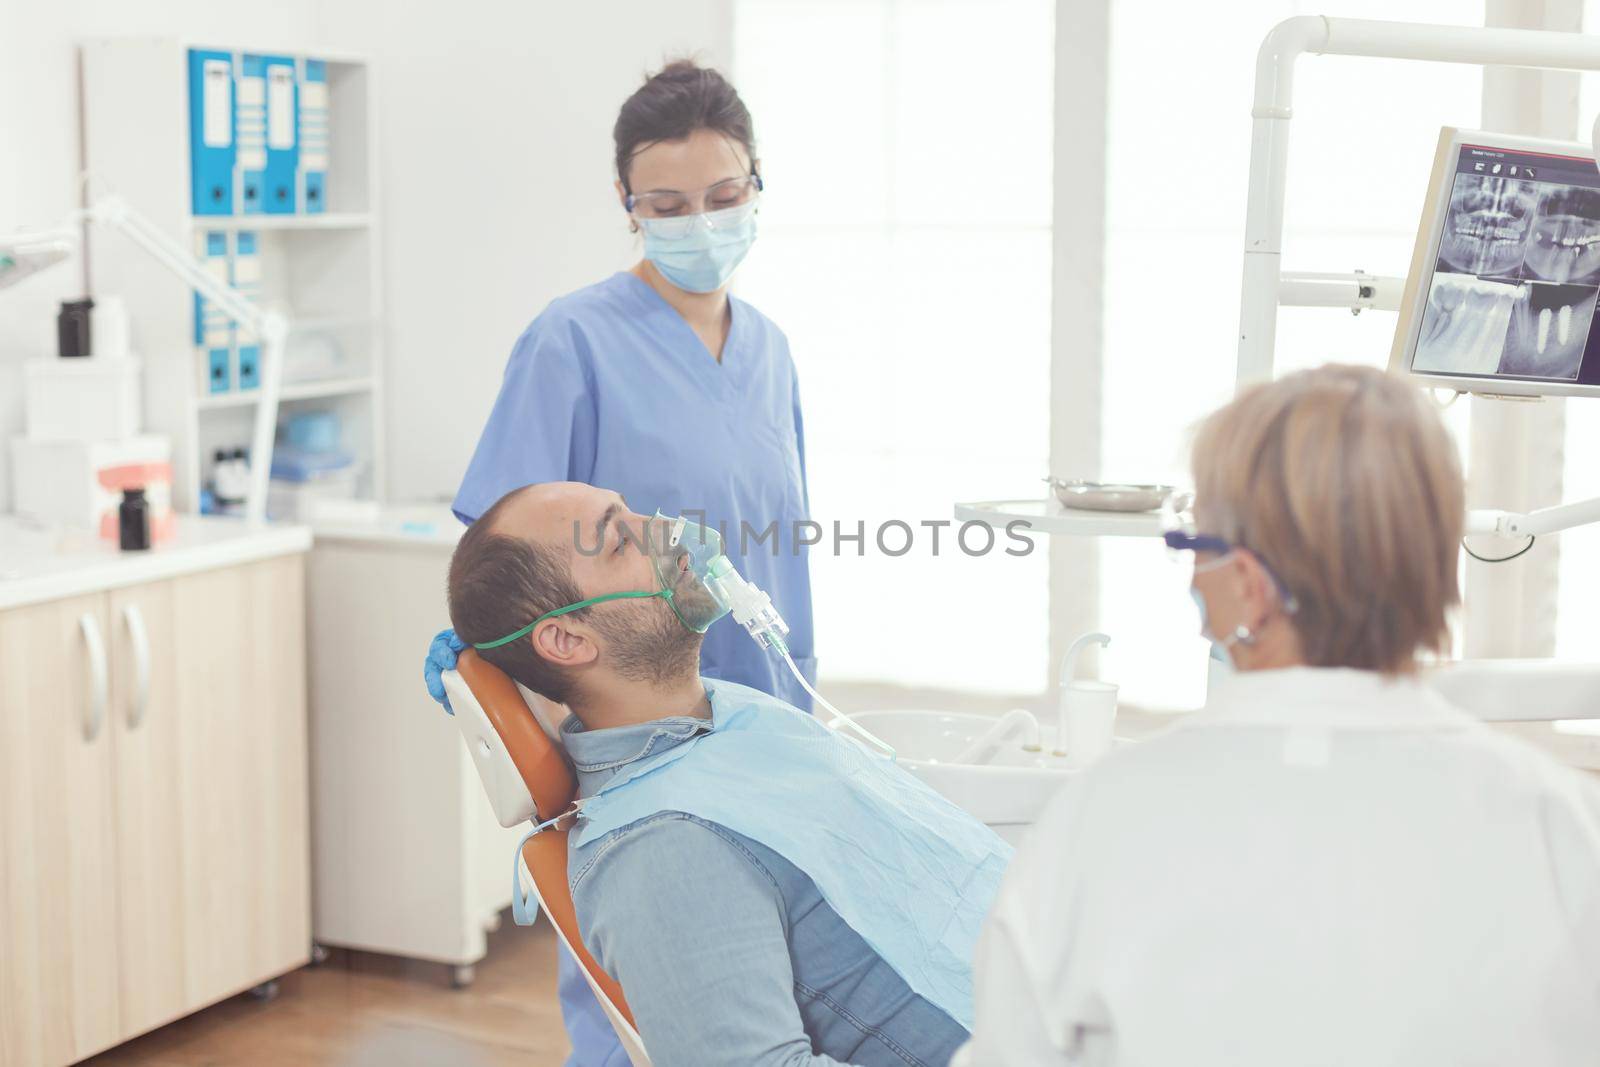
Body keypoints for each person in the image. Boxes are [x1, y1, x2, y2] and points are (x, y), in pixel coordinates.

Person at [956, 364, 1600, 1066]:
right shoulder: (1558, 825)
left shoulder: (1101, 822)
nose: (1190, 577)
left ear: (1249, 587)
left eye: (1193, 546)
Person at [423, 61, 816, 1065]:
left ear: (756, 182)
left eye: (724, 196)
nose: (701, 221)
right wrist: (500, 688)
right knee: (643, 1012)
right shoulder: (572, 343)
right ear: (627, 204)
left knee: (761, 1004)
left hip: (764, 729)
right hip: (639, 753)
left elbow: (780, 561)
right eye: (668, 204)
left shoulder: (768, 351)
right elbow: (499, 561)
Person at [447, 481, 1011, 1067]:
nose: (665, 527)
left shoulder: (725, 715)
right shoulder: (663, 846)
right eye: (620, 539)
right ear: (567, 638)